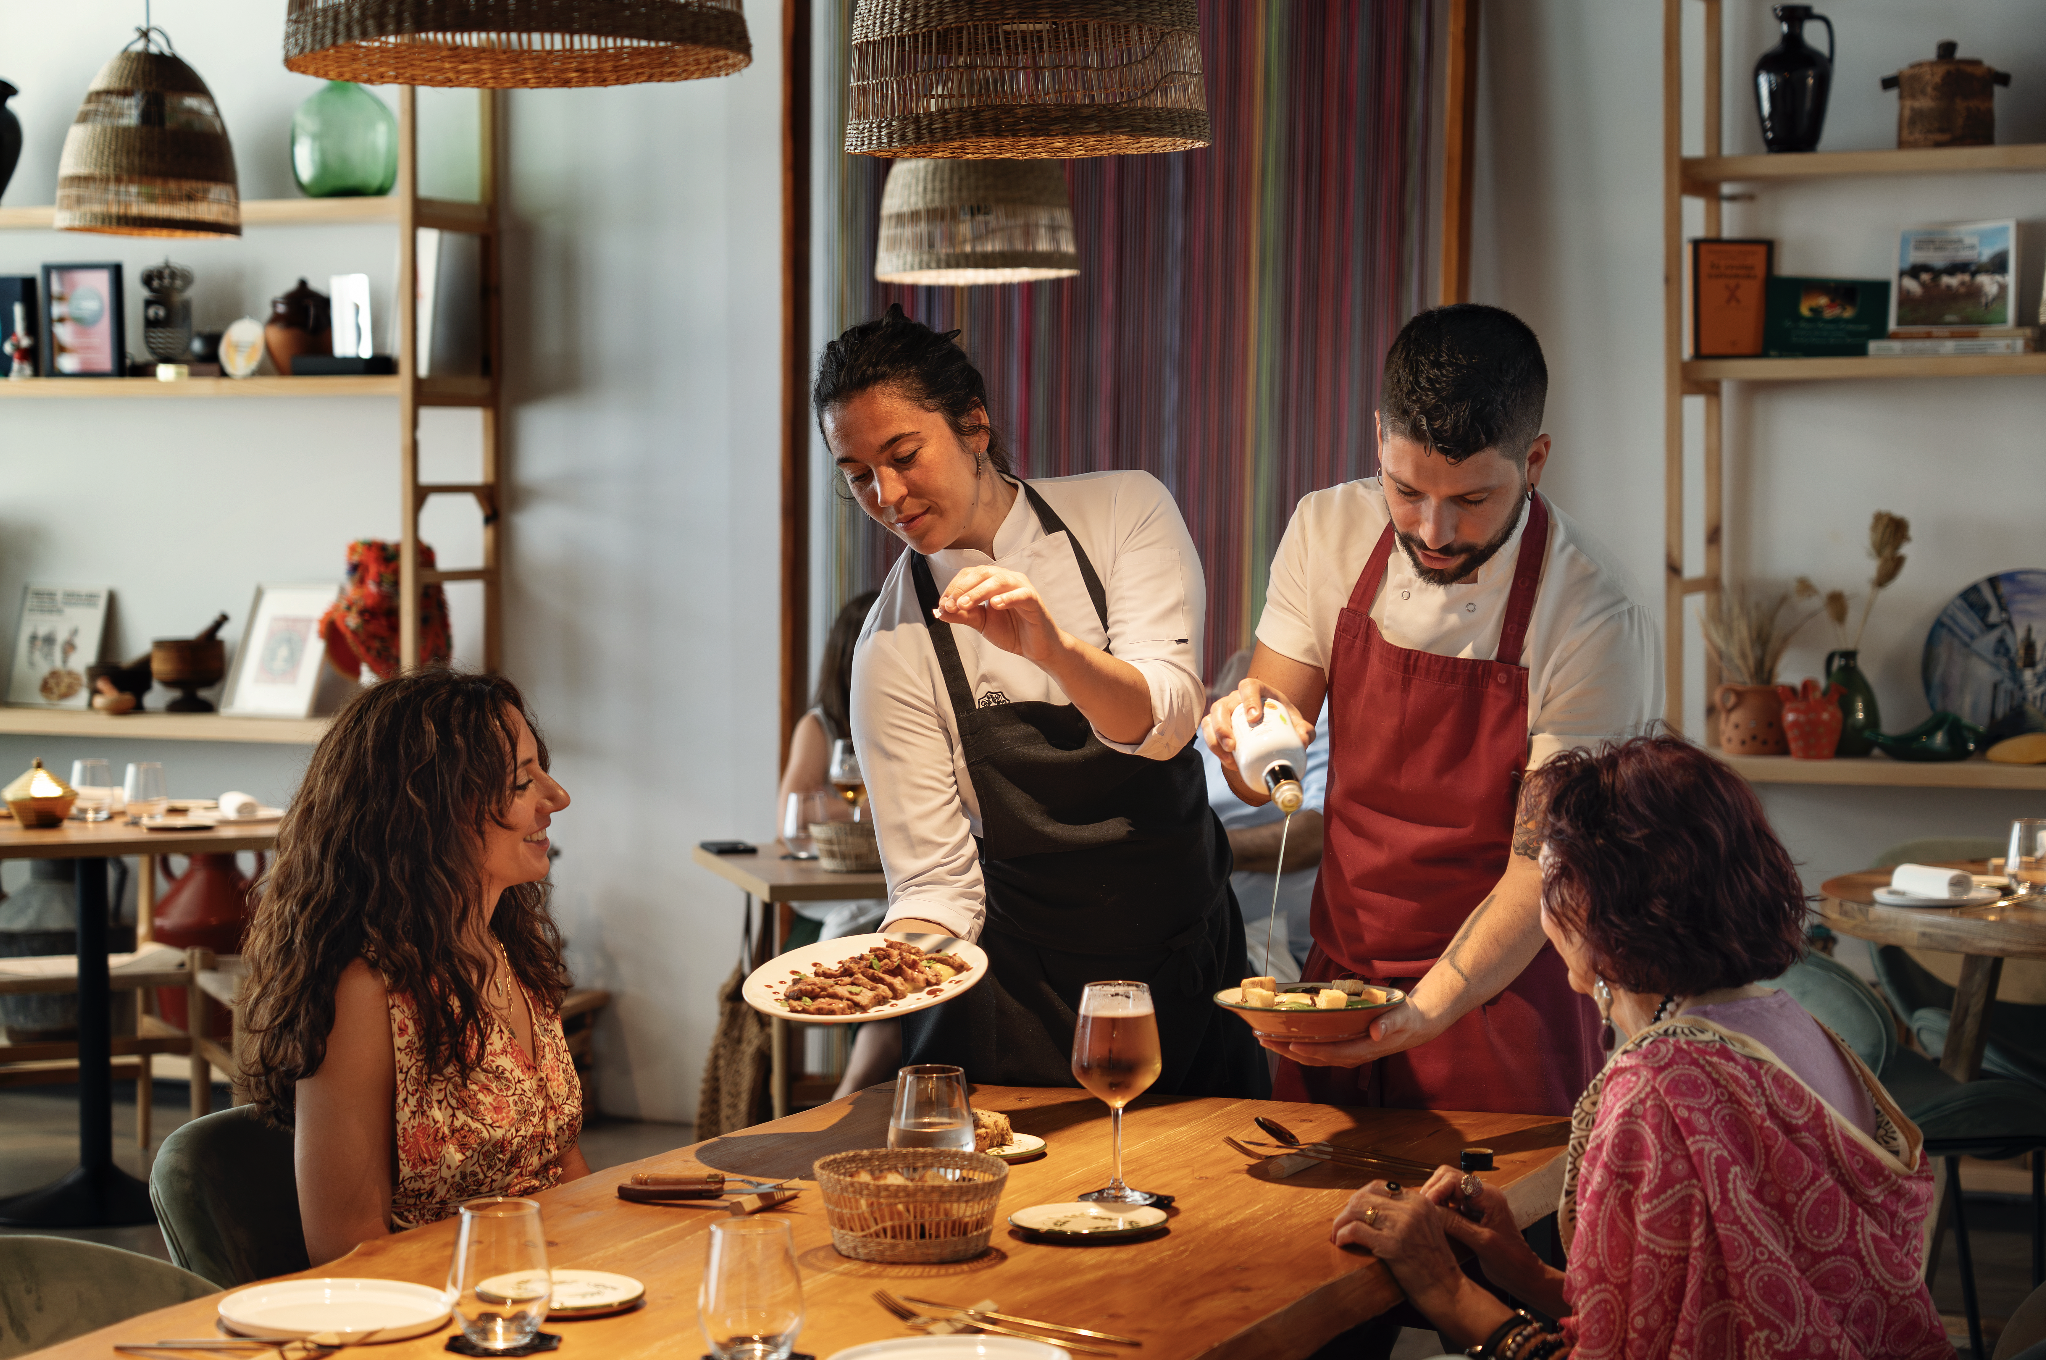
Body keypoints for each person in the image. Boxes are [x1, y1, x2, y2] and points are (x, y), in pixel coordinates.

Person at [1332, 735, 1950, 1359]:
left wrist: (1441, 1283)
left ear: (1595, 906)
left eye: (1551, 875)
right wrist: (1520, 1270)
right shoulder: (1797, 1026)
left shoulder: (1660, 1085)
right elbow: (1671, 1310)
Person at [1204, 304, 1658, 1115]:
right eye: (1406, 490)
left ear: (1538, 459)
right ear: (1379, 437)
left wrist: (1423, 1013)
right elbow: (1270, 752)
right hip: (1338, 983)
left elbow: (1543, 869)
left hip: (1502, 1000)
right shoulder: (1327, 532)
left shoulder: (1591, 615)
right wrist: (1243, 735)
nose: (1434, 531)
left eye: (1473, 499)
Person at [822, 304, 1265, 1097]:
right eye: (858, 476)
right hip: (1027, 996)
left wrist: (1055, 653)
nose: (887, 494)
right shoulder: (889, 649)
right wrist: (882, 974)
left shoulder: (1124, 511)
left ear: (974, 425)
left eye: (903, 454)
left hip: (1187, 967)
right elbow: (935, 886)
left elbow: (1166, 722)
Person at [240, 669, 588, 1265]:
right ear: (428, 809)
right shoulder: (365, 991)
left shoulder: (509, 950)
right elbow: (348, 1248)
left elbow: (561, 1166)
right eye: (522, 781)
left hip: (550, 1288)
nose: (556, 798)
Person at [1197, 647, 1327, 985]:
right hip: (1205, 928)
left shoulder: (1311, 719)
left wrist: (1206, 850)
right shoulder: (1206, 733)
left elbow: (1317, 833)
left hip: (1269, 948)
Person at [777, 588, 886, 946]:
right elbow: (791, 818)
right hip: (832, 886)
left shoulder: (902, 719)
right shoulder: (819, 726)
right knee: (849, 921)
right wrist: (870, 805)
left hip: (887, 875)